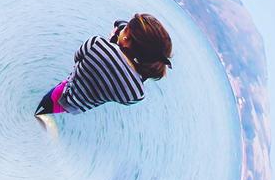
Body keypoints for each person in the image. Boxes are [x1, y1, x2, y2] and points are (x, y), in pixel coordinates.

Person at [34, 13, 173, 117]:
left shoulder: (96, 44)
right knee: (61, 108)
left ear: (126, 37)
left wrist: (110, 43)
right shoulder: (137, 93)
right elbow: (124, 76)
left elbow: (77, 58)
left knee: (45, 105)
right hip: (78, 107)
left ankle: (40, 114)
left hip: (63, 94)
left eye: (125, 29)